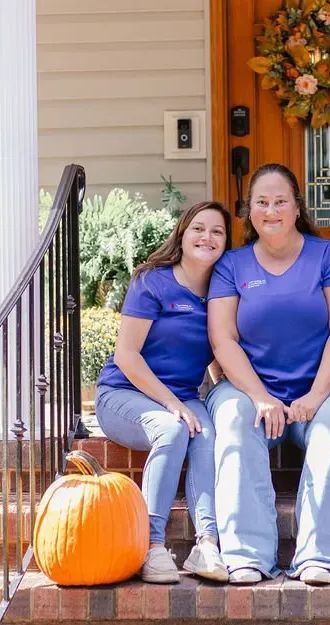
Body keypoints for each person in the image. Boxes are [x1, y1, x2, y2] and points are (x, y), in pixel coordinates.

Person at [206, 163, 330, 586]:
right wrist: (259, 397)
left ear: (296, 208)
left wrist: (314, 396)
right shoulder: (231, 266)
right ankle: (246, 555)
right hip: (250, 390)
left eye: (279, 201)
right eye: (261, 202)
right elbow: (224, 342)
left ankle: (321, 555)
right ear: (249, 211)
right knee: (234, 423)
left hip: (323, 389)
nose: (270, 210)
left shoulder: (329, 257)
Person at [95, 201, 232, 584]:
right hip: (124, 393)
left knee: (207, 434)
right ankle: (151, 546)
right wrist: (171, 403)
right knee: (172, 429)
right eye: (199, 229)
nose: (207, 237)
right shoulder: (152, 281)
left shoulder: (221, 291)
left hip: (184, 396)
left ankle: (207, 544)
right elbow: (126, 355)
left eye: (217, 231)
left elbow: (219, 348)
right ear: (183, 234)